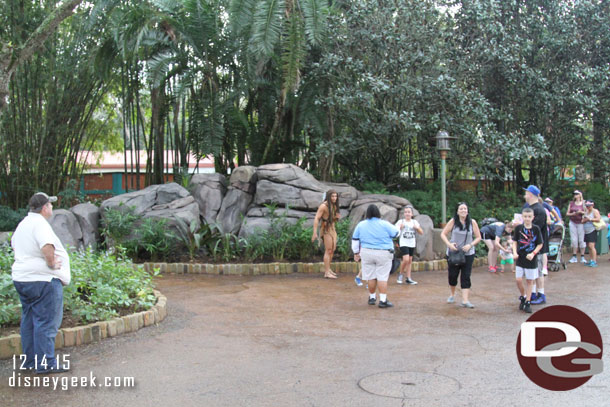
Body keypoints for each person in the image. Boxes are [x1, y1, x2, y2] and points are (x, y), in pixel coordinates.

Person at [11, 192, 71, 374]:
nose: (52, 207)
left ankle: (30, 361)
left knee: (29, 321)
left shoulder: (23, 224)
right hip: (43, 280)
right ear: (45, 207)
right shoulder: (39, 224)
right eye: (50, 205)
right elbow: (47, 245)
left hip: (23, 279)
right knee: (46, 321)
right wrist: (52, 264)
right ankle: (45, 363)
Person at [352, 204, 400, 308]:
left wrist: (356, 253)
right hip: (383, 252)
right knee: (382, 277)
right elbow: (396, 233)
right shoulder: (384, 224)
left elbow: (355, 239)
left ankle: (372, 297)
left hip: (366, 252)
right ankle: (383, 300)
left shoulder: (361, 225)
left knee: (370, 276)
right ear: (378, 213)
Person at [440, 202, 481, 308]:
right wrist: (449, 244)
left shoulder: (472, 222)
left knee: (466, 276)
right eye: (461, 209)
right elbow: (443, 234)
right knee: (453, 275)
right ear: (457, 211)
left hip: (468, 253)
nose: (463, 211)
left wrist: (470, 245)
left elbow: (478, 237)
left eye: (465, 209)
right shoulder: (453, 221)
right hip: (454, 253)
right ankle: (452, 294)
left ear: (467, 211)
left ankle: (465, 300)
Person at [512, 207, 543, 314]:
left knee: (530, 281)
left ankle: (528, 301)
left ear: (533, 217)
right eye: (525, 216)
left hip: (531, 259)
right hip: (520, 258)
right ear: (522, 217)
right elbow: (515, 241)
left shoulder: (536, 229)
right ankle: (523, 295)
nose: (527, 219)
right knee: (518, 279)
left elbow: (540, 244)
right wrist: (515, 252)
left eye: (529, 217)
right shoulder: (518, 228)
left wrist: (533, 253)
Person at [523, 185, 549, 305]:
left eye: (526, 193)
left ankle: (541, 294)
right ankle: (532, 293)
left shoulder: (539, 209)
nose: (525, 195)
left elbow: (535, 229)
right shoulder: (530, 207)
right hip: (529, 245)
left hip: (537, 246)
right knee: (531, 271)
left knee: (538, 272)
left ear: (531, 195)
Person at [312, 190, 341, 279]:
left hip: (332, 229)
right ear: (328, 196)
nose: (334, 198)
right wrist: (314, 232)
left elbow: (332, 219)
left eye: (335, 196)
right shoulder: (323, 206)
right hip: (326, 229)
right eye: (332, 196)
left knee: (332, 250)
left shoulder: (334, 205)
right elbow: (317, 218)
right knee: (328, 250)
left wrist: (336, 218)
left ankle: (328, 269)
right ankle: (327, 272)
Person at [394, 206, 423, 285]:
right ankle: (400, 274)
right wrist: (400, 228)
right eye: (406, 212)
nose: (407, 213)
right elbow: (395, 232)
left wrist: (417, 228)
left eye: (409, 212)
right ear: (404, 214)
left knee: (409, 261)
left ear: (412, 214)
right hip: (403, 243)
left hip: (411, 243)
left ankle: (408, 278)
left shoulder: (414, 222)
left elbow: (421, 232)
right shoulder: (401, 221)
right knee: (406, 259)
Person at [566, 190, 587, 264]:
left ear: (580, 195)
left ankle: (582, 256)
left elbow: (587, 212)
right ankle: (574, 256)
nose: (575, 195)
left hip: (581, 223)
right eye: (574, 194)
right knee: (574, 240)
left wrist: (581, 212)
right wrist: (573, 214)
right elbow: (567, 213)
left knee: (582, 240)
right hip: (572, 222)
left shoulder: (584, 203)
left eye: (577, 194)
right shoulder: (571, 203)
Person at [582, 200, 601, 268]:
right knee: (588, 246)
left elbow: (598, 219)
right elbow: (582, 221)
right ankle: (591, 260)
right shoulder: (586, 211)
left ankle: (594, 261)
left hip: (592, 230)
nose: (588, 207)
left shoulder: (595, 211)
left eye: (589, 206)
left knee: (591, 246)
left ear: (592, 205)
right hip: (586, 231)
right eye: (587, 206)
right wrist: (584, 220)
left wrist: (590, 219)